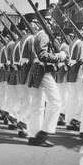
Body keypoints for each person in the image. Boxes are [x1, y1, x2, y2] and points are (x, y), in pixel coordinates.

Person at [27, 8, 66, 147]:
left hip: (36, 70)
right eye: (48, 20)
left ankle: (33, 136)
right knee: (56, 102)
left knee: (37, 106)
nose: (51, 23)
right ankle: (44, 132)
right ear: (43, 22)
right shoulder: (43, 35)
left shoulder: (38, 34)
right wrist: (59, 57)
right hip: (42, 71)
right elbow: (43, 55)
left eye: (51, 20)